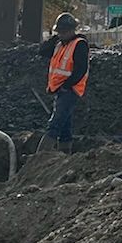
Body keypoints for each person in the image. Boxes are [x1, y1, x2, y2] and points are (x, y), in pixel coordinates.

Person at [43, 11, 89, 150]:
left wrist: (67, 86)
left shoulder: (79, 44)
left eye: (62, 32)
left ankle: (40, 155)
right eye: (59, 32)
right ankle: (64, 156)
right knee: (65, 127)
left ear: (71, 30)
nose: (60, 34)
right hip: (60, 89)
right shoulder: (60, 44)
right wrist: (53, 38)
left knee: (55, 124)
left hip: (70, 90)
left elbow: (81, 69)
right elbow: (43, 51)